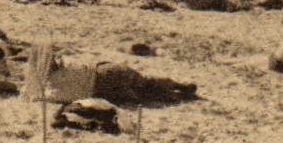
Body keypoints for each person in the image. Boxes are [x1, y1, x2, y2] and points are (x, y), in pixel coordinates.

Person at [43, 52, 198, 107]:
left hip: (103, 86)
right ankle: (179, 86)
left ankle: (173, 97)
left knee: (141, 96)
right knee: (146, 81)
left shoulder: (54, 86)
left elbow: (64, 97)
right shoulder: (68, 62)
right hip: (108, 69)